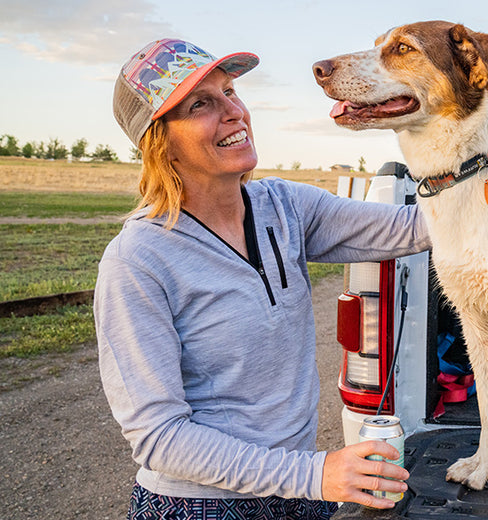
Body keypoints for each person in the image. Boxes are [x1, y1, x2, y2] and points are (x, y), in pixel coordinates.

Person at [96, 38, 429, 519]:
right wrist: (316, 475)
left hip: (297, 492)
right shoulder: (139, 259)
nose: (234, 111)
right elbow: (158, 437)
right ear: (159, 141)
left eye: (230, 91)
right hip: (202, 504)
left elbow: (415, 228)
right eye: (200, 104)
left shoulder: (284, 206)